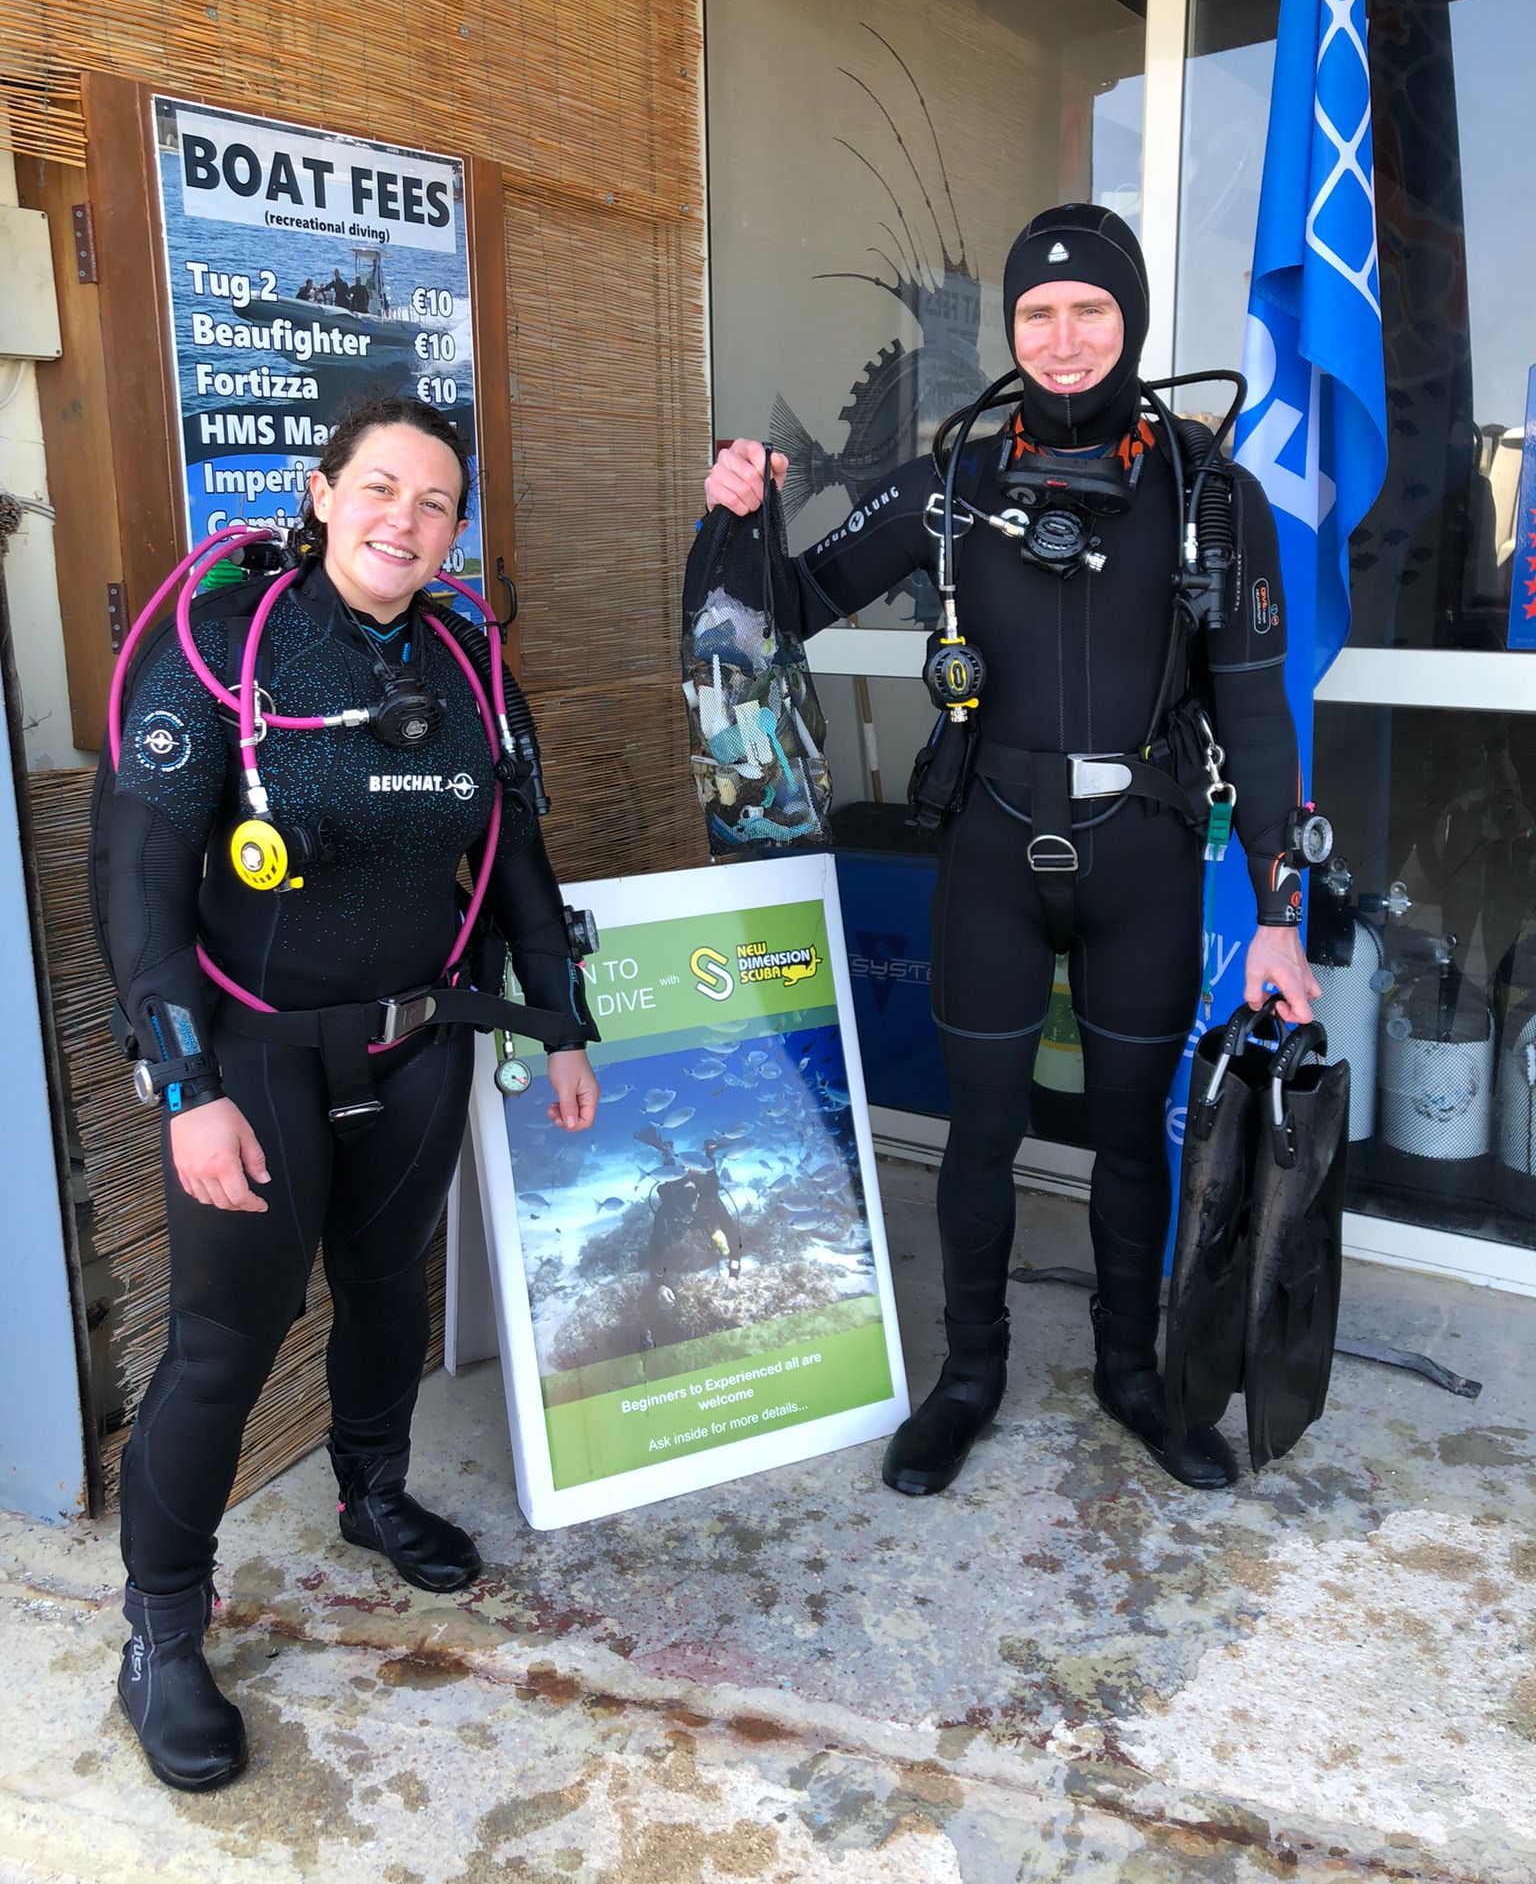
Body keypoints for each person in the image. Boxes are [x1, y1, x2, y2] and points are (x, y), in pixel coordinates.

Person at [700, 202, 1320, 1501]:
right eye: (1039, 312)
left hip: (1145, 854)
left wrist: (1279, 913)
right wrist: (740, 517)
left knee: (1129, 1139)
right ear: (1014, 329)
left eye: (1090, 308)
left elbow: (1257, 721)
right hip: (988, 848)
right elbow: (789, 606)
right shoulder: (951, 486)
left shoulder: (1214, 499)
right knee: (979, 1136)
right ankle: (967, 1378)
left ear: (1131, 320)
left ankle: (1130, 1377)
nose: (1063, 334)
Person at [101, 397, 599, 1791]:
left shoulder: (471, 661)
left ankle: (371, 1491)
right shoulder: (223, 650)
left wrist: (561, 1024)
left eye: (435, 502)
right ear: (322, 495)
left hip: (418, 1040)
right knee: (224, 1342)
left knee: (388, 1289)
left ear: (456, 529)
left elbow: (516, 863)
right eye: (379, 488)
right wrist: (181, 1081)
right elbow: (137, 886)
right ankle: (161, 1626)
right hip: (251, 1057)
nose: (405, 519)